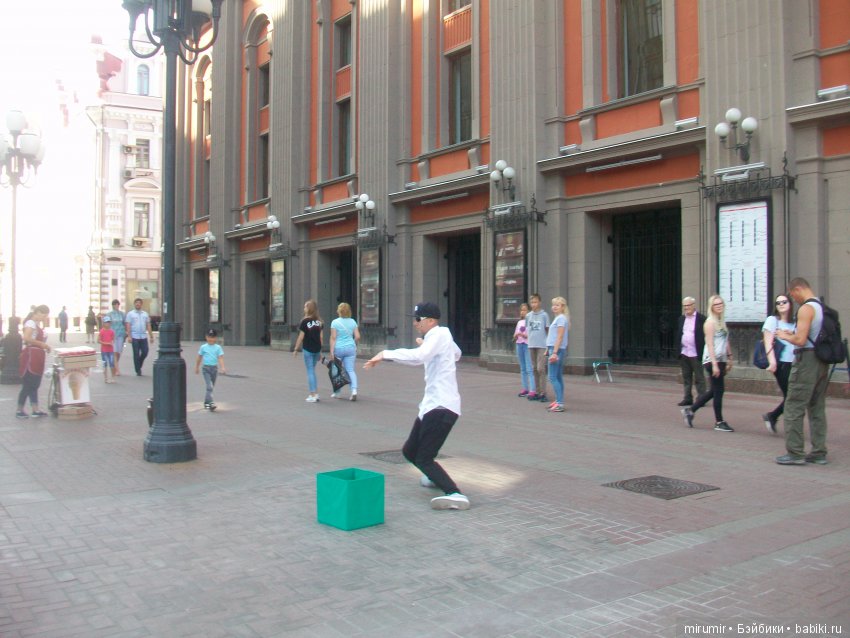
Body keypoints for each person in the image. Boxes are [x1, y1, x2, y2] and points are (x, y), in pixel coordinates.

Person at [364, 301, 470, 511]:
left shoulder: (439, 335)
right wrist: (428, 346)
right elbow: (456, 354)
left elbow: (419, 358)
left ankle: (454, 493)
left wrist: (386, 354)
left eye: (418, 319)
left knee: (423, 457)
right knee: (410, 451)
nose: (415, 323)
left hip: (442, 407)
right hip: (430, 406)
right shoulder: (440, 337)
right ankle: (434, 477)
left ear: (431, 321)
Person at [774, 277, 830, 465]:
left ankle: (795, 452)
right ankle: (819, 451)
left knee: (794, 405)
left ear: (798, 289)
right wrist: (795, 335)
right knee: (816, 407)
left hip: (806, 360)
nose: (793, 300)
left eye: (792, 295)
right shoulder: (820, 306)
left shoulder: (806, 309)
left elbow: (800, 340)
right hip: (821, 361)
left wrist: (784, 335)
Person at [682, 294, 734, 432]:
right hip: (712, 360)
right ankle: (719, 421)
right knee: (718, 391)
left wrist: (730, 356)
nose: (719, 306)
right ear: (711, 307)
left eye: (721, 304)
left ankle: (690, 411)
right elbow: (710, 344)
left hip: (721, 359)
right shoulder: (710, 322)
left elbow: (725, 339)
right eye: (716, 305)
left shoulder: (721, 321)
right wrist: (715, 364)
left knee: (714, 391)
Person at [761, 294, 796, 434]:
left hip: (794, 363)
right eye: (778, 303)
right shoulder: (772, 320)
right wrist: (772, 362)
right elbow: (768, 342)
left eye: (784, 302)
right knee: (791, 396)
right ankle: (781, 421)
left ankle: (772, 416)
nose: (781, 304)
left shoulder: (795, 323)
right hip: (781, 364)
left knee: (792, 396)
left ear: (790, 304)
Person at [16, 305, 51, 419]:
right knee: (28, 384)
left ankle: (35, 409)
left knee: (34, 384)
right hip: (31, 357)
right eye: (43, 315)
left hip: (37, 356)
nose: (44, 317)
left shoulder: (36, 324)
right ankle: (19, 409)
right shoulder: (30, 323)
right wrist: (42, 344)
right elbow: (26, 338)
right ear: (37, 312)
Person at [676, 296, 706, 406]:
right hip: (684, 352)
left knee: (699, 377)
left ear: (693, 305)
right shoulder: (681, 319)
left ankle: (701, 398)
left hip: (696, 352)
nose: (686, 308)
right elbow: (679, 334)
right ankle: (687, 397)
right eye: (684, 306)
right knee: (686, 377)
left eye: (688, 305)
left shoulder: (701, 319)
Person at [293, 299, 323, 402]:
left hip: (308, 349)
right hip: (316, 349)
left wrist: (296, 348)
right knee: (312, 371)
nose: (304, 308)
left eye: (305, 306)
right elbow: (321, 337)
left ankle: (313, 394)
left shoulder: (304, 321)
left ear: (309, 309)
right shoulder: (319, 322)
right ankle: (316, 393)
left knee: (310, 371)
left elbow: (301, 336)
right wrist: (320, 351)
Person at [329, 302, 361, 401]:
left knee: (336, 371)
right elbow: (358, 336)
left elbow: (333, 338)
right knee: (350, 370)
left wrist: (331, 351)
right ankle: (354, 390)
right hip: (350, 348)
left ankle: (337, 392)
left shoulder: (335, 322)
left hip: (338, 348)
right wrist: (353, 342)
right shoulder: (353, 321)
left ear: (339, 311)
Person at [546, 297, 570, 413]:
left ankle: (560, 403)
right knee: (558, 376)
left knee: (552, 377)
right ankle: (558, 400)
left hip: (557, 350)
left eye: (558, 305)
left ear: (563, 307)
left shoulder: (560, 319)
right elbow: (554, 336)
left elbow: (559, 337)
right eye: (553, 304)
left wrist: (554, 352)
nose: (554, 307)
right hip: (556, 349)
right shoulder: (560, 318)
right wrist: (548, 349)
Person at [524, 293, 550, 402]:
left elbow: (547, 330)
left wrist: (548, 345)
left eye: (535, 302)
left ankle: (543, 392)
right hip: (531, 344)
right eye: (532, 302)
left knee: (541, 368)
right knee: (534, 368)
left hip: (542, 345)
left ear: (539, 302)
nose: (533, 304)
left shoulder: (544, 315)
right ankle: (537, 391)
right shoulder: (528, 316)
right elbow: (527, 329)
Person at [195, 328, 226, 410]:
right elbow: (199, 357)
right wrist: (197, 367)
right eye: (209, 337)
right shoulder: (203, 347)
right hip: (206, 369)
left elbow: (220, 357)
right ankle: (211, 403)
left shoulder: (218, 348)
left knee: (211, 387)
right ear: (206, 337)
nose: (211, 339)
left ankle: (206, 403)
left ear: (215, 338)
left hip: (214, 369)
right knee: (210, 386)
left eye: (212, 337)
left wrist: (223, 367)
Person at [125, 298, 154, 376]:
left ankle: (139, 364)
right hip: (135, 336)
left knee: (145, 352)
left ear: (141, 304)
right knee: (136, 354)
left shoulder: (145, 314)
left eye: (139, 303)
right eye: (136, 303)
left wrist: (151, 336)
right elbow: (128, 325)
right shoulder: (130, 314)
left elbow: (148, 325)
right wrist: (129, 336)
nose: (138, 304)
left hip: (143, 336)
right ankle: (138, 370)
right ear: (134, 304)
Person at [512, 303, 535, 397]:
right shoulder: (519, 322)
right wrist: (516, 335)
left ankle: (532, 389)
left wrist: (523, 335)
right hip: (519, 344)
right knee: (523, 368)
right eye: (521, 310)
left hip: (527, 345)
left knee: (529, 368)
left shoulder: (530, 322)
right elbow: (514, 335)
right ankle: (525, 388)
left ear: (529, 311)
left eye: (525, 310)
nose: (523, 312)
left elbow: (531, 335)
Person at [106, 300, 126, 375]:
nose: (116, 305)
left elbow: (124, 323)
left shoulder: (122, 314)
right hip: (112, 335)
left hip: (121, 334)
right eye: (115, 304)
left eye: (117, 304)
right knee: (114, 351)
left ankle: (114, 365)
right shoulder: (109, 314)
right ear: (113, 305)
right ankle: (117, 369)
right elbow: (106, 324)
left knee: (119, 352)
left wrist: (126, 333)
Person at [98, 316, 116, 384]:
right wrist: (106, 343)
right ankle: (106, 378)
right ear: (104, 323)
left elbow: (113, 339)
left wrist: (112, 342)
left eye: (109, 322)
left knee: (112, 363)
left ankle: (113, 377)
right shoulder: (102, 331)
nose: (108, 324)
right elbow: (98, 340)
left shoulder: (111, 331)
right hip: (104, 350)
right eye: (106, 322)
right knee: (105, 364)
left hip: (110, 350)